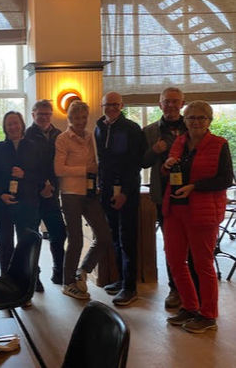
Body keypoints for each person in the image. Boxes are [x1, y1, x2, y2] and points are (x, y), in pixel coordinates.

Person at [162, 101, 233, 333]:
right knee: (174, 260)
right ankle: (190, 306)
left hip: (202, 211)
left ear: (209, 120)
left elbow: (226, 179)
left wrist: (195, 187)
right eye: (191, 117)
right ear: (185, 120)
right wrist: (167, 165)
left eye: (201, 117)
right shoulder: (180, 142)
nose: (196, 122)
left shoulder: (219, 144)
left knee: (202, 264)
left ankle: (208, 315)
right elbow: (169, 172)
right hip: (175, 209)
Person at [142, 87, 199, 309]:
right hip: (164, 196)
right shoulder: (149, 131)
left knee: (194, 245)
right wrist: (155, 150)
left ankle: (194, 290)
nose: (171, 105)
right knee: (171, 245)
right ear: (160, 104)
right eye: (167, 101)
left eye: (175, 101)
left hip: (192, 194)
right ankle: (175, 289)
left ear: (182, 103)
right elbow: (142, 162)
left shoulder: (194, 127)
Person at [55, 101, 112, 300]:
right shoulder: (63, 139)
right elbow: (59, 169)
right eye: (76, 118)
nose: (80, 121)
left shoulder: (90, 136)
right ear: (69, 119)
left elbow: (96, 163)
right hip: (70, 193)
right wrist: (85, 170)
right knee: (76, 240)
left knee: (104, 236)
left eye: (83, 117)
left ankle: (83, 270)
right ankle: (68, 282)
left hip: (90, 193)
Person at [95, 91, 146, 306]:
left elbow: (135, 164)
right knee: (115, 237)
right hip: (107, 191)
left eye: (115, 104)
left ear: (122, 106)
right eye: (108, 104)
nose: (111, 108)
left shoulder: (132, 129)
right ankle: (121, 280)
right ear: (102, 106)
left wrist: (125, 192)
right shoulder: (99, 127)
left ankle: (130, 287)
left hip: (127, 192)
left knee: (127, 239)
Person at [0, 111, 42, 281]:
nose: (13, 127)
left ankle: (30, 279)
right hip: (3, 204)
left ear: (22, 124)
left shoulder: (34, 147)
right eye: (9, 124)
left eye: (15, 123)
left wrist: (24, 175)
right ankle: (6, 280)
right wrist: (1, 194)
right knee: (5, 244)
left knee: (26, 243)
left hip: (27, 202)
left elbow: (41, 176)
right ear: (5, 128)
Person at [25, 100, 67, 289]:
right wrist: (42, 185)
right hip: (33, 194)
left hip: (52, 194)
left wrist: (52, 186)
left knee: (59, 232)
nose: (44, 117)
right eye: (40, 114)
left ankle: (59, 272)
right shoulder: (27, 135)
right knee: (33, 237)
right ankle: (34, 276)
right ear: (33, 115)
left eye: (47, 114)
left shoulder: (59, 135)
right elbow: (29, 166)